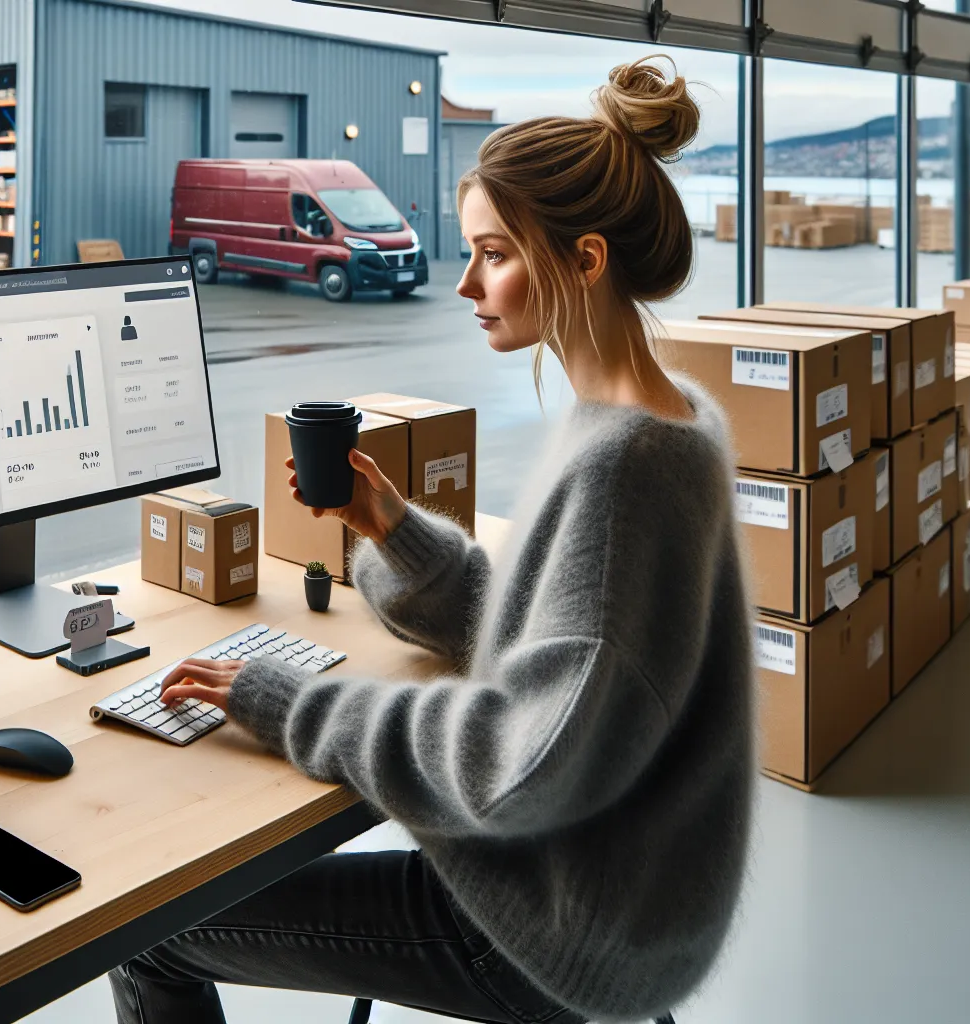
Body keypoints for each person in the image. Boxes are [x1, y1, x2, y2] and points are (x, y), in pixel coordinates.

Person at [112, 57, 754, 1024]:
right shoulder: (666, 418)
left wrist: (294, 703)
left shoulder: (626, 468)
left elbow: (513, 767)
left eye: (493, 254)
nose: (463, 284)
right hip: (616, 886)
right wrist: (401, 536)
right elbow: (571, 653)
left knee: (148, 936)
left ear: (584, 261)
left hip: (557, 926)